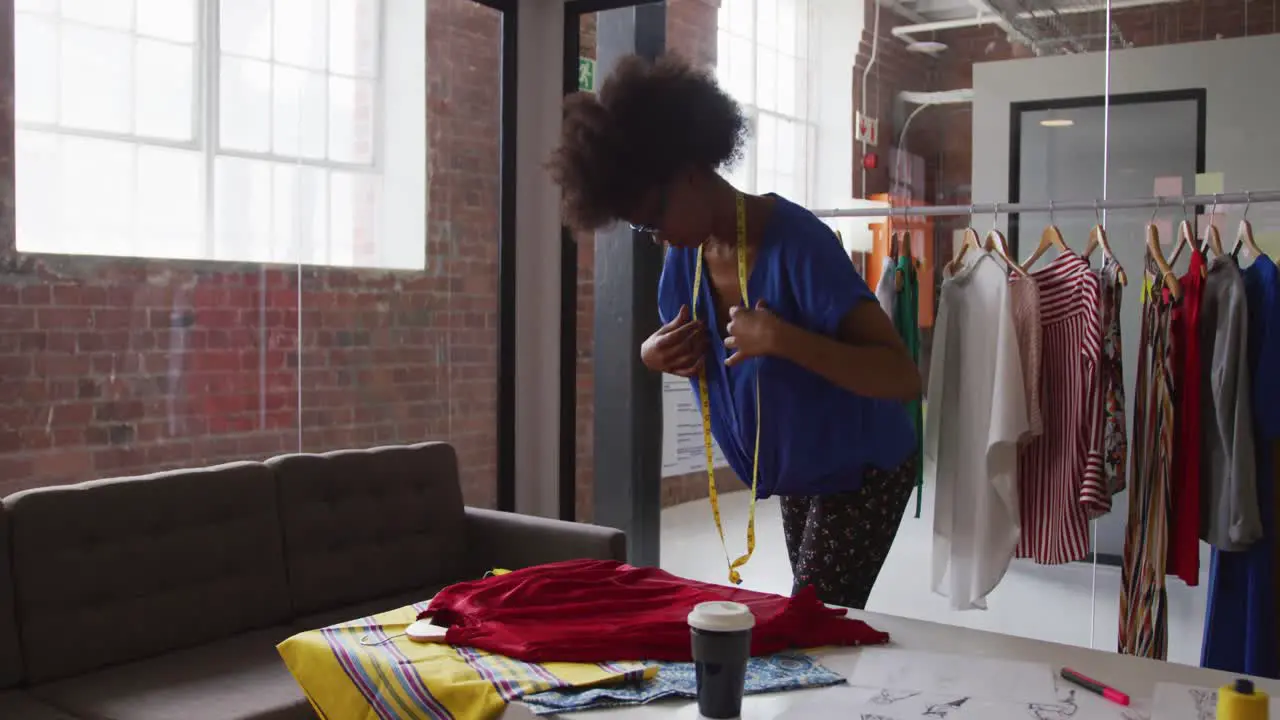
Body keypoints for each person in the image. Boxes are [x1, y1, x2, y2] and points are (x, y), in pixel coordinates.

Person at [547, 54, 921, 610]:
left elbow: (902, 377)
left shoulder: (799, 244)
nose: (656, 239)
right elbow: (691, 352)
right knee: (818, 621)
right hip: (802, 465)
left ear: (691, 174)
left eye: (653, 220)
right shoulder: (685, 259)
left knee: (810, 620)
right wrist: (653, 354)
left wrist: (785, 340)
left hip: (866, 463)